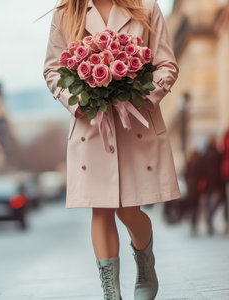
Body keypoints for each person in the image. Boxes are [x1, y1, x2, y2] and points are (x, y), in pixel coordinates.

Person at [43, 1, 180, 299]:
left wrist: (139, 95)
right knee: (101, 208)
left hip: (136, 122)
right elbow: (53, 70)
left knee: (129, 210)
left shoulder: (146, 7)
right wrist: (78, 100)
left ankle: (145, 262)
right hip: (92, 125)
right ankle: (110, 292)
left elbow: (167, 64)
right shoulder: (66, 12)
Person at [201, 136, 229, 235]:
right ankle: (215, 218)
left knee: (208, 202)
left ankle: (209, 220)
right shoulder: (219, 154)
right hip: (218, 182)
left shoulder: (204, 155)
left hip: (208, 183)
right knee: (222, 200)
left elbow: (202, 171)